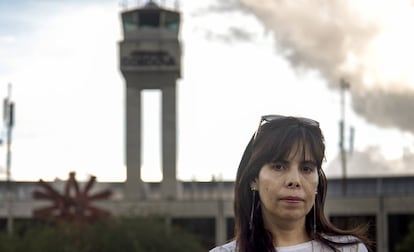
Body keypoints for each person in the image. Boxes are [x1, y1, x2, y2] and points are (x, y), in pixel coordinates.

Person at [210, 115, 371, 252]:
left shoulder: (351, 249)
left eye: (306, 168)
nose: (294, 180)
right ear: (254, 179)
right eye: (279, 166)